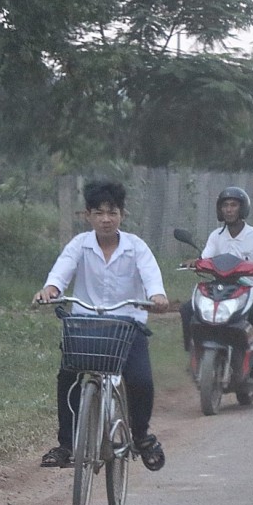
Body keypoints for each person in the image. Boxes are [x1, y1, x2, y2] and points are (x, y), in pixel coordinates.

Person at [33, 180, 169, 471]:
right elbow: (61, 271)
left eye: (112, 212)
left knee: (141, 381)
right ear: (88, 216)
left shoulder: (136, 247)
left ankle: (141, 435)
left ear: (122, 214)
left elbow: (151, 277)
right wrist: (51, 290)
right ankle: (67, 444)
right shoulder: (79, 245)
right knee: (67, 378)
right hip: (85, 327)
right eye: (99, 213)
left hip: (126, 327)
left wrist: (157, 296)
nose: (106, 219)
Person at [179, 187, 253, 375]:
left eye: (233, 205)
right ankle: (194, 352)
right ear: (220, 210)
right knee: (187, 309)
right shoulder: (216, 235)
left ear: (243, 208)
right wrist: (196, 263)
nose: (229, 210)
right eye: (225, 206)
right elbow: (206, 258)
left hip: (251, 289)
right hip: (221, 288)